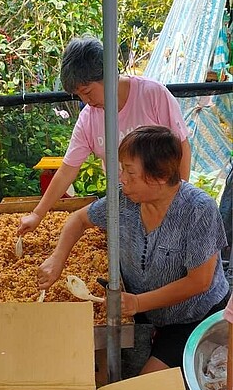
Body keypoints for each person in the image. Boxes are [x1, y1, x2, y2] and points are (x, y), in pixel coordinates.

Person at [38, 126, 230, 375]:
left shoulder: (198, 209)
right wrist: (57, 259)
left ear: (159, 176)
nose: (122, 179)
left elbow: (199, 282)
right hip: (145, 313)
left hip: (191, 318)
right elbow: (79, 219)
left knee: (145, 385)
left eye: (130, 172)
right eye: (121, 169)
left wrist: (138, 302)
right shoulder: (124, 200)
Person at [18, 36, 191, 236]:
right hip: (124, 201)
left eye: (87, 91)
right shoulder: (88, 119)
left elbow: (182, 146)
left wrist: (178, 199)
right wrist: (38, 214)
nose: (86, 101)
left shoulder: (153, 94)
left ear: (108, 76)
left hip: (163, 198)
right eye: (79, 95)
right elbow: (68, 169)